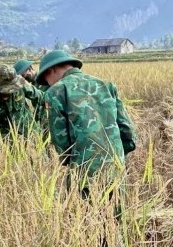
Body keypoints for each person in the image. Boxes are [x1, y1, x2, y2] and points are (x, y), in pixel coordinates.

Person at [37, 49, 137, 184]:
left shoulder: (55, 92)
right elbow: (127, 129)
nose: (48, 84)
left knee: (86, 205)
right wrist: (119, 155)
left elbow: (60, 141)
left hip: (84, 170)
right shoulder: (106, 85)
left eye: (46, 80)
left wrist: (69, 162)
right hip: (116, 166)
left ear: (52, 70)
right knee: (117, 204)